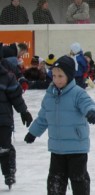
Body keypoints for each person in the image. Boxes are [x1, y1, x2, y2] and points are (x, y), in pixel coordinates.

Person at [24, 55, 95, 194]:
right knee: (55, 181)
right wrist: (33, 132)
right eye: (54, 76)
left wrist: (92, 112)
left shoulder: (78, 93)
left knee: (79, 180)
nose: (57, 79)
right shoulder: (50, 94)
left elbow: (89, 105)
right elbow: (43, 117)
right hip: (57, 148)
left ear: (69, 76)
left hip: (76, 148)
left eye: (60, 76)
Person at [0, 43, 33, 189]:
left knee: (5, 147)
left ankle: (9, 172)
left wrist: (23, 111)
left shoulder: (5, 74)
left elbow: (15, 95)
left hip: (3, 119)